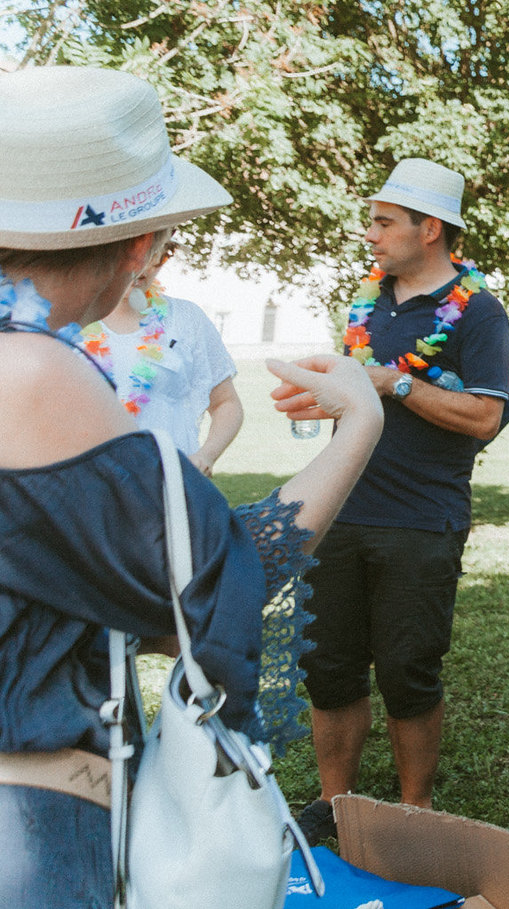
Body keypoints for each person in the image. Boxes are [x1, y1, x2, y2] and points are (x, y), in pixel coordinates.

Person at [0, 66, 384, 908]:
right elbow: (214, 579)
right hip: (28, 827)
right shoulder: (32, 372)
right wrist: (359, 421)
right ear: (138, 247)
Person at [284, 158, 509, 840]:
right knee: (328, 667)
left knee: (409, 668)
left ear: (430, 228)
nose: (371, 233)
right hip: (340, 509)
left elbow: (483, 419)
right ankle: (337, 805)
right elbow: (355, 395)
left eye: (384, 221)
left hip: (423, 518)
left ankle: (416, 812)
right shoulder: (364, 302)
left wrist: (398, 385)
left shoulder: (479, 311)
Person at [77, 232, 243, 474]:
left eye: (157, 257)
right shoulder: (71, 320)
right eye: (131, 257)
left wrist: (206, 455)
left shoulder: (186, 319)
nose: (142, 269)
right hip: (92, 486)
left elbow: (225, 403)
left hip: (172, 481)